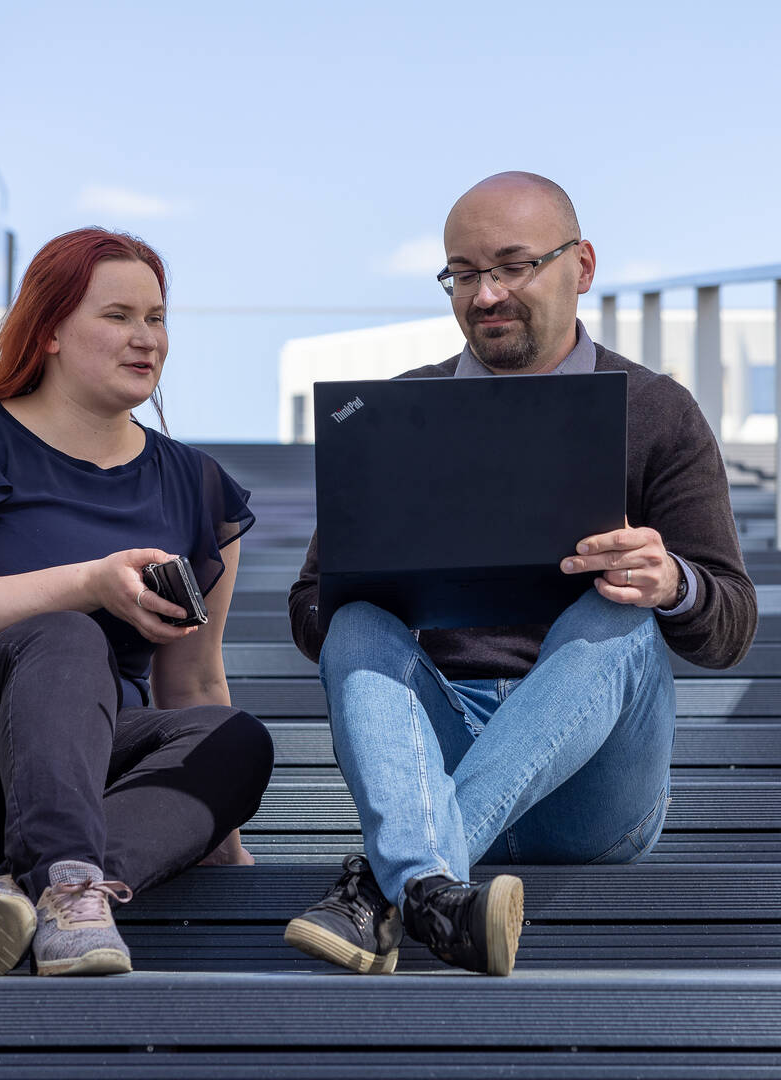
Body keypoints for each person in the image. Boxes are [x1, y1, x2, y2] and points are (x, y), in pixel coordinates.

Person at [283, 173, 757, 976]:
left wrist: (670, 581)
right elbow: (307, 612)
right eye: (462, 273)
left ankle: (390, 883)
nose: (485, 293)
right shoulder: (398, 415)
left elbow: (731, 626)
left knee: (619, 617)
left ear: (583, 264)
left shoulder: (659, 411)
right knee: (354, 622)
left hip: (590, 793)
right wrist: (376, 580)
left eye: (512, 266)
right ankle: (434, 891)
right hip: (436, 748)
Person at [0, 228, 273, 977]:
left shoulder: (197, 487)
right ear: (49, 333)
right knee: (68, 636)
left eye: (157, 318)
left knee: (237, 735)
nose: (146, 339)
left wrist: (212, 820)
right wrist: (88, 581)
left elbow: (192, 683)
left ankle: (29, 890)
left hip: (75, 785)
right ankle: (68, 894)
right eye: (118, 316)